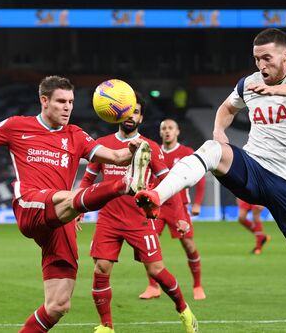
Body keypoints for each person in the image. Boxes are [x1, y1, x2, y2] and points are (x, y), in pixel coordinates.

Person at [0, 76, 150, 333]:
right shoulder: (17, 126)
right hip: (30, 204)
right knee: (66, 197)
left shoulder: (76, 135)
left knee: (58, 305)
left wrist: (133, 149)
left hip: (60, 220)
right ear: (44, 101)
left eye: (71, 102)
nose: (68, 107)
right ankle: (124, 186)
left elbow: (117, 157)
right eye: (61, 101)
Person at [135, 28, 286, 332]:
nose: (262, 65)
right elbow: (227, 108)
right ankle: (157, 195)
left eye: (268, 58)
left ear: (285, 55)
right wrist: (220, 132)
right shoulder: (249, 83)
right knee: (211, 149)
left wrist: (276, 91)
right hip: (254, 168)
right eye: (257, 59)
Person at [78, 93, 198, 333]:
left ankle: (184, 311)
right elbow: (88, 179)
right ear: (118, 114)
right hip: (108, 218)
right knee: (101, 268)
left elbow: (168, 184)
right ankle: (106, 326)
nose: (131, 116)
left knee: (156, 270)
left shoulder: (150, 147)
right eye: (128, 111)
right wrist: (78, 209)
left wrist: (181, 217)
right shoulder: (102, 145)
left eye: (136, 112)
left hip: (139, 218)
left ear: (141, 117)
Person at [139, 118, 207, 300]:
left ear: (177, 132)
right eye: (164, 128)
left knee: (188, 245)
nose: (167, 131)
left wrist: (198, 203)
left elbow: (200, 179)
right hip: (157, 205)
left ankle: (197, 285)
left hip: (179, 206)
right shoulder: (153, 152)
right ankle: (153, 286)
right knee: (148, 246)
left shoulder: (186, 153)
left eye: (171, 128)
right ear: (160, 133)